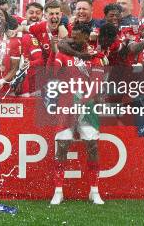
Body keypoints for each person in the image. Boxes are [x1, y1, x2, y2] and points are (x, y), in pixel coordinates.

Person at [50, 22, 106, 205]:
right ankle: (58, 191)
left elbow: (96, 84)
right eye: (71, 35)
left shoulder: (94, 56)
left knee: (93, 147)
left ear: (86, 36)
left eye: (76, 36)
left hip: (87, 107)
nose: (72, 38)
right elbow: (55, 75)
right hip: (65, 106)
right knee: (62, 147)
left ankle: (94, 191)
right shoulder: (63, 53)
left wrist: (82, 102)